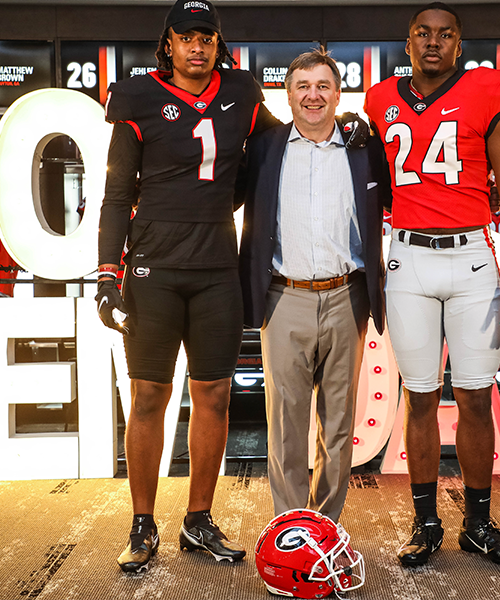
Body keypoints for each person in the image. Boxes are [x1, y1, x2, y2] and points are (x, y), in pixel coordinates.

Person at [95, 0, 280, 573]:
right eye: (186, 37)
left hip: (217, 266)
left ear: (218, 44)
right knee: (148, 395)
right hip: (153, 266)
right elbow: (117, 190)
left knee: (215, 395)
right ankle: (143, 523)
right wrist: (107, 271)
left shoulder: (243, 93)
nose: (197, 47)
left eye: (207, 37)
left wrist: (344, 129)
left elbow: (278, 147)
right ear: (168, 44)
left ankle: (197, 520)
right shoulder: (137, 96)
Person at [365, 2, 500, 567]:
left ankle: (478, 524)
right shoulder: (379, 99)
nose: (433, 43)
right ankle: (425, 522)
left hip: (471, 258)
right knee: (417, 397)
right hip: (407, 256)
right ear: (407, 41)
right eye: (423, 33)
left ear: (459, 44)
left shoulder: (489, 90)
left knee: (475, 397)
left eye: (445, 35)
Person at [238, 48, 389, 523]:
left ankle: (325, 529)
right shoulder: (265, 148)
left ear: (338, 93)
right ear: (288, 96)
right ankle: (289, 530)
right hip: (284, 299)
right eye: (303, 87)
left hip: (347, 296)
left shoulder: (363, 147)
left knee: (339, 427)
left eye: (323, 86)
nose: (313, 95)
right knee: (285, 428)